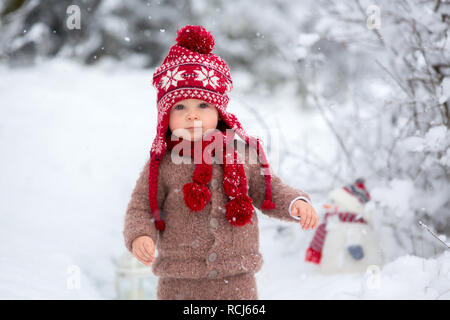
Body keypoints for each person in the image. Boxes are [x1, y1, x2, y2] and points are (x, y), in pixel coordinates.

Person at [123, 25, 318, 300]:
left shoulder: (241, 154)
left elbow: (268, 189)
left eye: (203, 106)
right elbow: (141, 206)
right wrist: (140, 236)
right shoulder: (163, 163)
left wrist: (295, 203)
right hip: (179, 281)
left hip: (237, 279)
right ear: (166, 115)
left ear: (219, 111)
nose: (193, 116)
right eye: (181, 107)